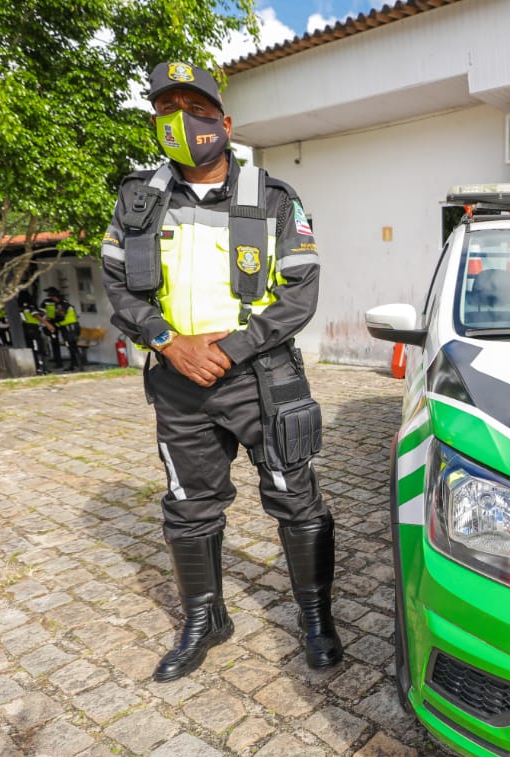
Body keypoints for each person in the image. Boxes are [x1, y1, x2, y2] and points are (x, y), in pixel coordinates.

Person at [100, 61, 339, 682]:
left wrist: (229, 349)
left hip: (261, 377)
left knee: (294, 496)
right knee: (188, 505)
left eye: (195, 109)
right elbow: (118, 289)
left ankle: (316, 619)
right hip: (178, 381)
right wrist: (168, 343)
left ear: (223, 122)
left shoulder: (274, 198)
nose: (181, 121)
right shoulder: (137, 201)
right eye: (166, 110)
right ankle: (206, 620)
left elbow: (299, 293)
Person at [42, 287, 81, 371]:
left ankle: (78, 365)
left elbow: (62, 316)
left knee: (72, 346)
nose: (50, 298)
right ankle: (73, 364)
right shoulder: (56, 303)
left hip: (69, 327)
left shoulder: (63, 303)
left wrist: (53, 320)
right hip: (65, 326)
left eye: (52, 296)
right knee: (69, 345)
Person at [19, 293, 53, 374]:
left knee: (32, 349)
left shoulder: (20, 308)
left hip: (25, 328)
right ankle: (43, 369)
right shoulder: (30, 307)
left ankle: (37, 368)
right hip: (33, 329)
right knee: (40, 349)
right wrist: (48, 324)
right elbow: (36, 315)